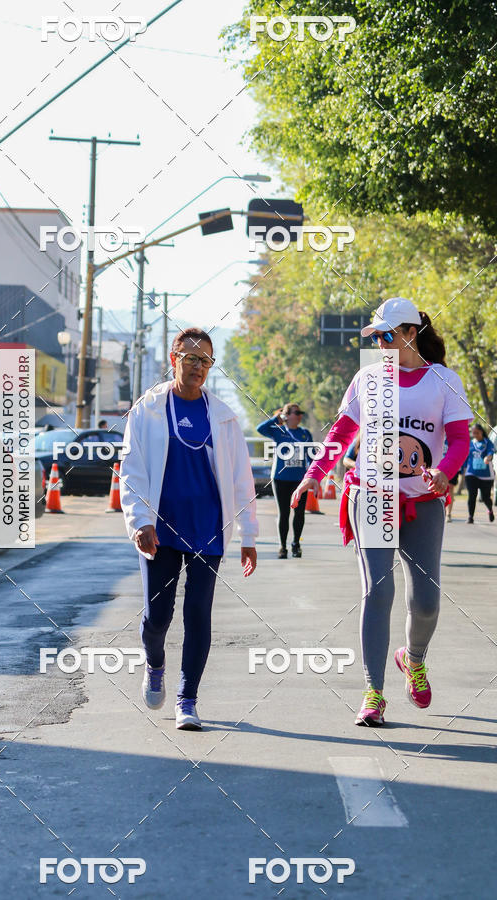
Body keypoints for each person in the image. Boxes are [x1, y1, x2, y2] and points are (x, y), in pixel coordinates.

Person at [292, 297, 472, 727]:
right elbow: (341, 434)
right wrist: (315, 474)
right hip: (370, 496)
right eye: (376, 337)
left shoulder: (444, 381)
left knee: (425, 603)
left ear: (411, 334)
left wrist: (445, 473)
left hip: (424, 501)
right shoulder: (368, 378)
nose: (381, 343)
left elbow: (460, 440)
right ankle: (373, 693)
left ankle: (414, 658)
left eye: (387, 336)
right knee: (379, 591)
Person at [120, 327, 258, 731]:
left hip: (208, 529)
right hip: (160, 528)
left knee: (198, 613)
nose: (198, 367)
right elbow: (132, 470)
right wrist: (140, 521)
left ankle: (188, 699)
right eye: (191, 358)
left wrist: (248, 535)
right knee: (157, 616)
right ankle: (155, 663)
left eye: (206, 361)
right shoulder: (146, 410)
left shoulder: (223, 416)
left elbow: (240, 479)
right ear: (173, 358)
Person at [256, 403, 313, 558]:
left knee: (299, 512)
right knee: (284, 513)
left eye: (301, 413)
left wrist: (313, 477)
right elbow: (260, 429)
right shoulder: (278, 432)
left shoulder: (305, 433)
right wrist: (277, 418)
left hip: (299, 480)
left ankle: (296, 544)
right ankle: (282, 546)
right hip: (280, 478)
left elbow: (311, 456)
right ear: (287, 416)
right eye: (296, 413)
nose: (300, 415)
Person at [464, 423, 495, 523]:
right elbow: (465, 457)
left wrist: (488, 458)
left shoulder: (488, 442)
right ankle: (470, 517)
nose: (475, 435)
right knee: (472, 495)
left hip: (486, 476)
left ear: (481, 432)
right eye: (473, 433)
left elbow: (491, 452)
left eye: (477, 433)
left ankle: (490, 510)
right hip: (471, 473)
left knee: (486, 497)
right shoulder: (470, 444)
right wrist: (462, 469)